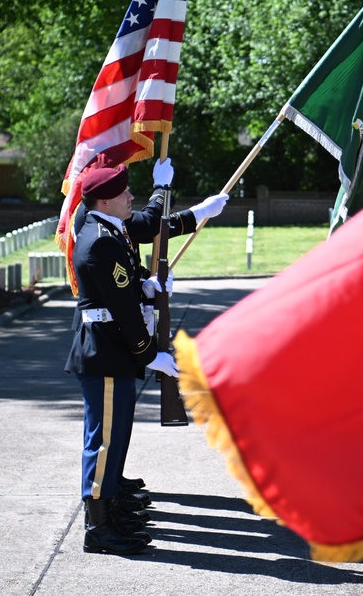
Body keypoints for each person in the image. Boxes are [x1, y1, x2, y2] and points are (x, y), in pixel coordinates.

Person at [65, 156, 228, 554]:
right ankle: (99, 529)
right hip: (105, 351)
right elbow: (119, 308)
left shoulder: (107, 228)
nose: (130, 196)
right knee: (103, 442)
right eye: (123, 193)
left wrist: (144, 284)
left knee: (115, 437)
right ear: (104, 202)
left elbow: (123, 279)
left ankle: (112, 508)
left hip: (111, 351)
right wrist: (147, 353)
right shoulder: (101, 240)